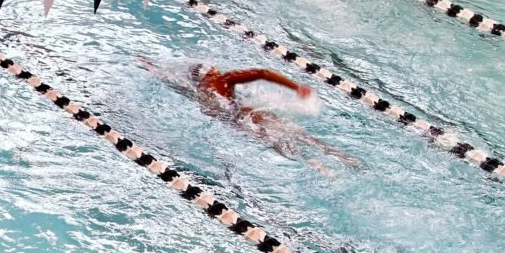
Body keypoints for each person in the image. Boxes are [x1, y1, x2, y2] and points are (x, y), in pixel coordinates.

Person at [141, 59, 361, 173]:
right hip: (248, 114)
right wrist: (296, 87)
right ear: (211, 71)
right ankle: (343, 157)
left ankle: (314, 164)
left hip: (237, 123)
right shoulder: (222, 80)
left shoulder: (199, 91)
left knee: (279, 144)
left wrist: (151, 67)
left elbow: (173, 81)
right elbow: (261, 73)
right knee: (302, 136)